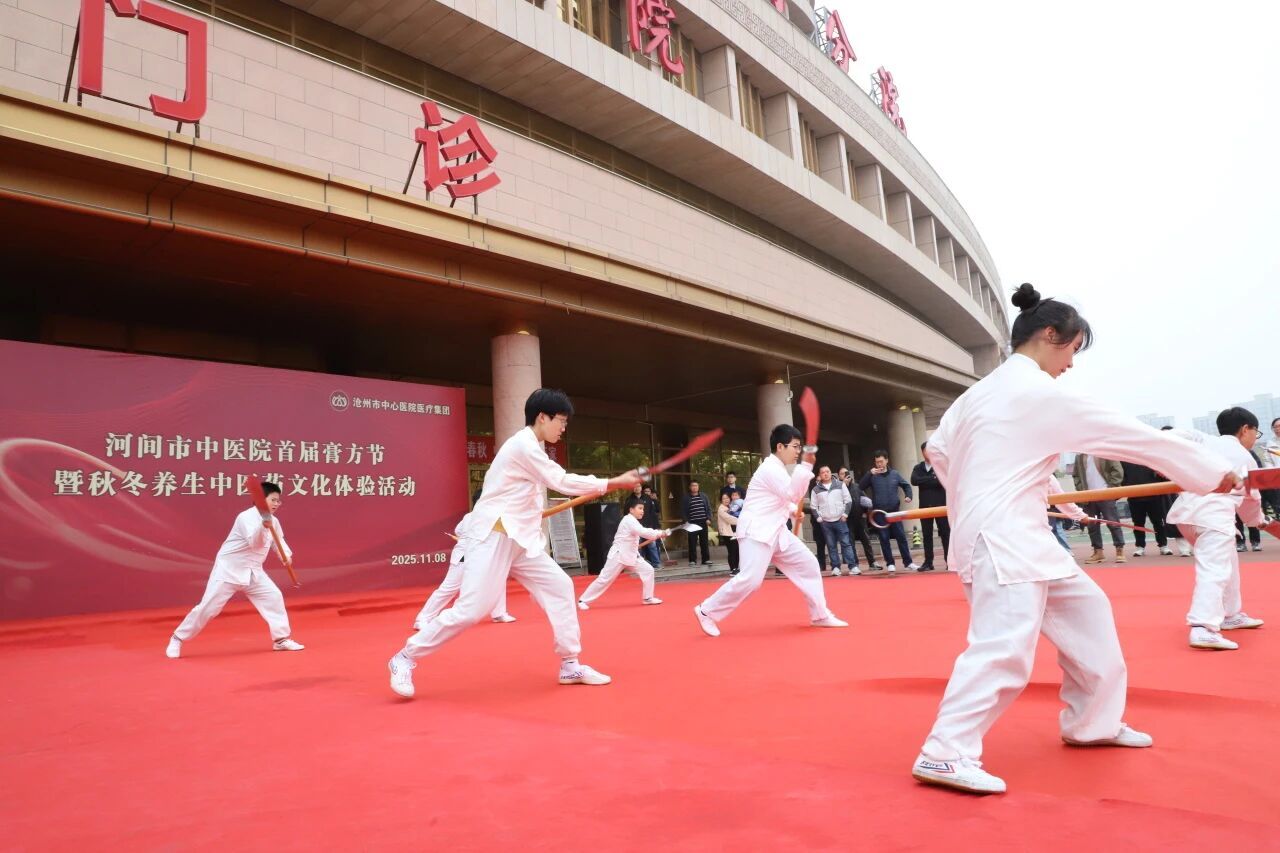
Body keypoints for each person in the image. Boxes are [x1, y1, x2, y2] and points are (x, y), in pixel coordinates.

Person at [910, 283, 1237, 796]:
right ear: (1050, 335)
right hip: (1003, 537)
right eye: (1074, 349)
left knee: (1091, 617)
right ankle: (945, 753)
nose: (1072, 364)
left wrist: (1014, 486)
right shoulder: (1036, 393)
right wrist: (1209, 471)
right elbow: (1131, 435)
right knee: (1003, 648)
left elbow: (941, 453)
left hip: (1018, 532)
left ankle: (1093, 723)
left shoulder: (977, 396)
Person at [387, 389, 641, 698]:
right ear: (542, 417)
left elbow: (531, 497)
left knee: (560, 586)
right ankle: (405, 657)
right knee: (471, 610)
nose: (563, 427)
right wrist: (613, 482)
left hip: (521, 540)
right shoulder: (522, 446)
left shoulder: (533, 448)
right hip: (494, 535)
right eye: (561, 420)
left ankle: (570, 664)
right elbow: (559, 480)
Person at [693, 424, 847, 637]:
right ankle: (705, 611)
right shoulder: (770, 468)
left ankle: (820, 614)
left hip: (776, 532)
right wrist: (805, 469)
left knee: (809, 564)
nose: (797, 451)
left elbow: (781, 499)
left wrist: (794, 511)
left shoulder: (777, 469)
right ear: (780, 446)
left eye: (799, 447)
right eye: (795, 446)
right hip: (757, 532)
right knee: (750, 580)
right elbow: (791, 493)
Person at [1168, 409, 1280, 650]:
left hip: (1187, 516)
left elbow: (1173, 434)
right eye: (1255, 432)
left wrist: (1165, 457)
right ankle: (1203, 627)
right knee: (1215, 569)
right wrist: (1258, 521)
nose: (1254, 438)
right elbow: (1252, 500)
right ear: (1244, 429)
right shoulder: (1245, 457)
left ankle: (1231, 614)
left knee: (1228, 565)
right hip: (1213, 517)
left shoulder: (1204, 440)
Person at [166, 481, 305, 658]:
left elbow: (279, 540)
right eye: (273, 500)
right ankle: (177, 638)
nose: (278, 503)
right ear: (261, 500)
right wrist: (262, 527)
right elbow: (255, 542)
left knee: (273, 596)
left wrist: (285, 555)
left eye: (279, 500)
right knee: (208, 608)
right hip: (229, 569)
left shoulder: (274, 521)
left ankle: (281, 640)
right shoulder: (245, 517)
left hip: (254, 571)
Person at [411, 488, 516, 630]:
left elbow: (459, 531)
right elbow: (460, 532)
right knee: (450, 587)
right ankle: (423, 618)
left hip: (483, 555)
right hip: (465, 556)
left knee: (497, 578)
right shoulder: (473, 517)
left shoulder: (491, 516)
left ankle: (499, 613)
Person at [578, 498, 669, 609]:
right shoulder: (628, 520)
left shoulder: (633, 521)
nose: (642, 511)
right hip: (619, 555)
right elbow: (643, 532)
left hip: (631, 555)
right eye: (640, 508)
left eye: (643, 509)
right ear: (631, 510)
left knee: (648, 570)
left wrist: (660, 534)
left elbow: (643, 532)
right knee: (604, 578)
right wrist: (660, 533)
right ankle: (582, 600)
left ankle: (647, 598)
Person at [860, 452, 918, 572]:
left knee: (901, 537)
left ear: (887, 461)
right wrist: (869, 474)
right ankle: (890, 563)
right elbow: (860, 486)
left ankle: (908, 562)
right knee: (884, 538)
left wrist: (909, 496)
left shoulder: (895, 474)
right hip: (880, 513)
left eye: (881, 461)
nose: (879, 464)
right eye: (877, 462)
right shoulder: (872, 475)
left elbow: (906, 485)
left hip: (894, 512)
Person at [1073, 452, 1126, 564]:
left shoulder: (1104, 452)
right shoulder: (1080, 456)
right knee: (1092, 525)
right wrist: (1081, 489)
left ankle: (1120, 550)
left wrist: (1111, 488)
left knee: (1113, 523)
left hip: (1106, 494)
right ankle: (1098, 552)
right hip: (1089, 496)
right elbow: (1076, 475)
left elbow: (1117, 471)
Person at [811, 466, 859, 575]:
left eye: (827, 471)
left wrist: (845, 514)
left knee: (846, 543)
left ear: (831, 473)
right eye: (823, 472)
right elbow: (814, 506)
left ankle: (853, 566)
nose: (825, 474)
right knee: (831, 545)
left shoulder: (840, 485)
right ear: (820, 475)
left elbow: (848, 500)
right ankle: (835, 567)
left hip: (840, 520)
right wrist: (819, 518)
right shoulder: (816, 490)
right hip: (826, 522)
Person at [1120, 462, 1173, 557]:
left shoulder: (1150, 459)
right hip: (1135, 496)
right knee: (1138, 523)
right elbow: (1122, 477)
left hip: (1154, 495)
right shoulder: (1125, 461)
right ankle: (1140, 547)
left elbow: (1163, 476)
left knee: (1158, 522)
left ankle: (1163, 545)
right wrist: (1127, 485)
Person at [911, 442, 949, 571]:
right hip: (925, 506)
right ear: (922, 453)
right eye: (925, 451)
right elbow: (914, 480)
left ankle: (949, 560)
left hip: (941, 506)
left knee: (945, 533)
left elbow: (941, 481)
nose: (928, 453)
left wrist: (929, 480)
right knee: (927, 534)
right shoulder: (918, 467)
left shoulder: (940, 465)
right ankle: (928, 562)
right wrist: (931, 478)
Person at [840, 468, 883, 569]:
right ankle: (854, 564)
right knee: (850, 542)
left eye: (846, 473)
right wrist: (844, 486)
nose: (845, 475)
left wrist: (865, 513)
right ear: (839, 477)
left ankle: (872, 562)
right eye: (842, 474)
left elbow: (866, 501)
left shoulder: (857, 487)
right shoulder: (839, 489)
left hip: (860, 518)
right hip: (848, 519)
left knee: (866, 540)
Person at [629, 482, 663, 569]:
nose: (637, 488)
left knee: (652, 545)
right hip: (636, 527)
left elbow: (653, 513)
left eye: (639, 486)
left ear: (641, 488)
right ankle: (639, 565)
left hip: (648, 526)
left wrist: (655, 526)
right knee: (638, 547)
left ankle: (656, 563)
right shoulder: (629, 499)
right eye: (635, 486)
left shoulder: (647, 498)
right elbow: (627, 514)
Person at [682, 481, 714, 566]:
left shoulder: (704, 496)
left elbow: (708, 508)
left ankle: (705, 560)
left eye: (696, 485)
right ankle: (692, 560)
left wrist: (709, 518)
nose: (694, 487)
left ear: (698, 487)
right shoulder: (686, 498)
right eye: (692, 485)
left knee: (704, 542)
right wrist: (686, 521)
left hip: (703, 522)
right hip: (692, 523)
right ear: (690, 487)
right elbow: (683, 511)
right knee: (692, 542)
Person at [717, 492, 740, 575]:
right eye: (724, 498)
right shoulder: (721, 509)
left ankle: (736, 568)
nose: (726, 500)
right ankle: (733, 568)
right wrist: (742, 521)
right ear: (721, 500)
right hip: (727, 533)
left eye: (727, 498)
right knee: (732, 551)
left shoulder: (730, 507)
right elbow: (729, 519)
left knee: (736, 550)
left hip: (733, 532)